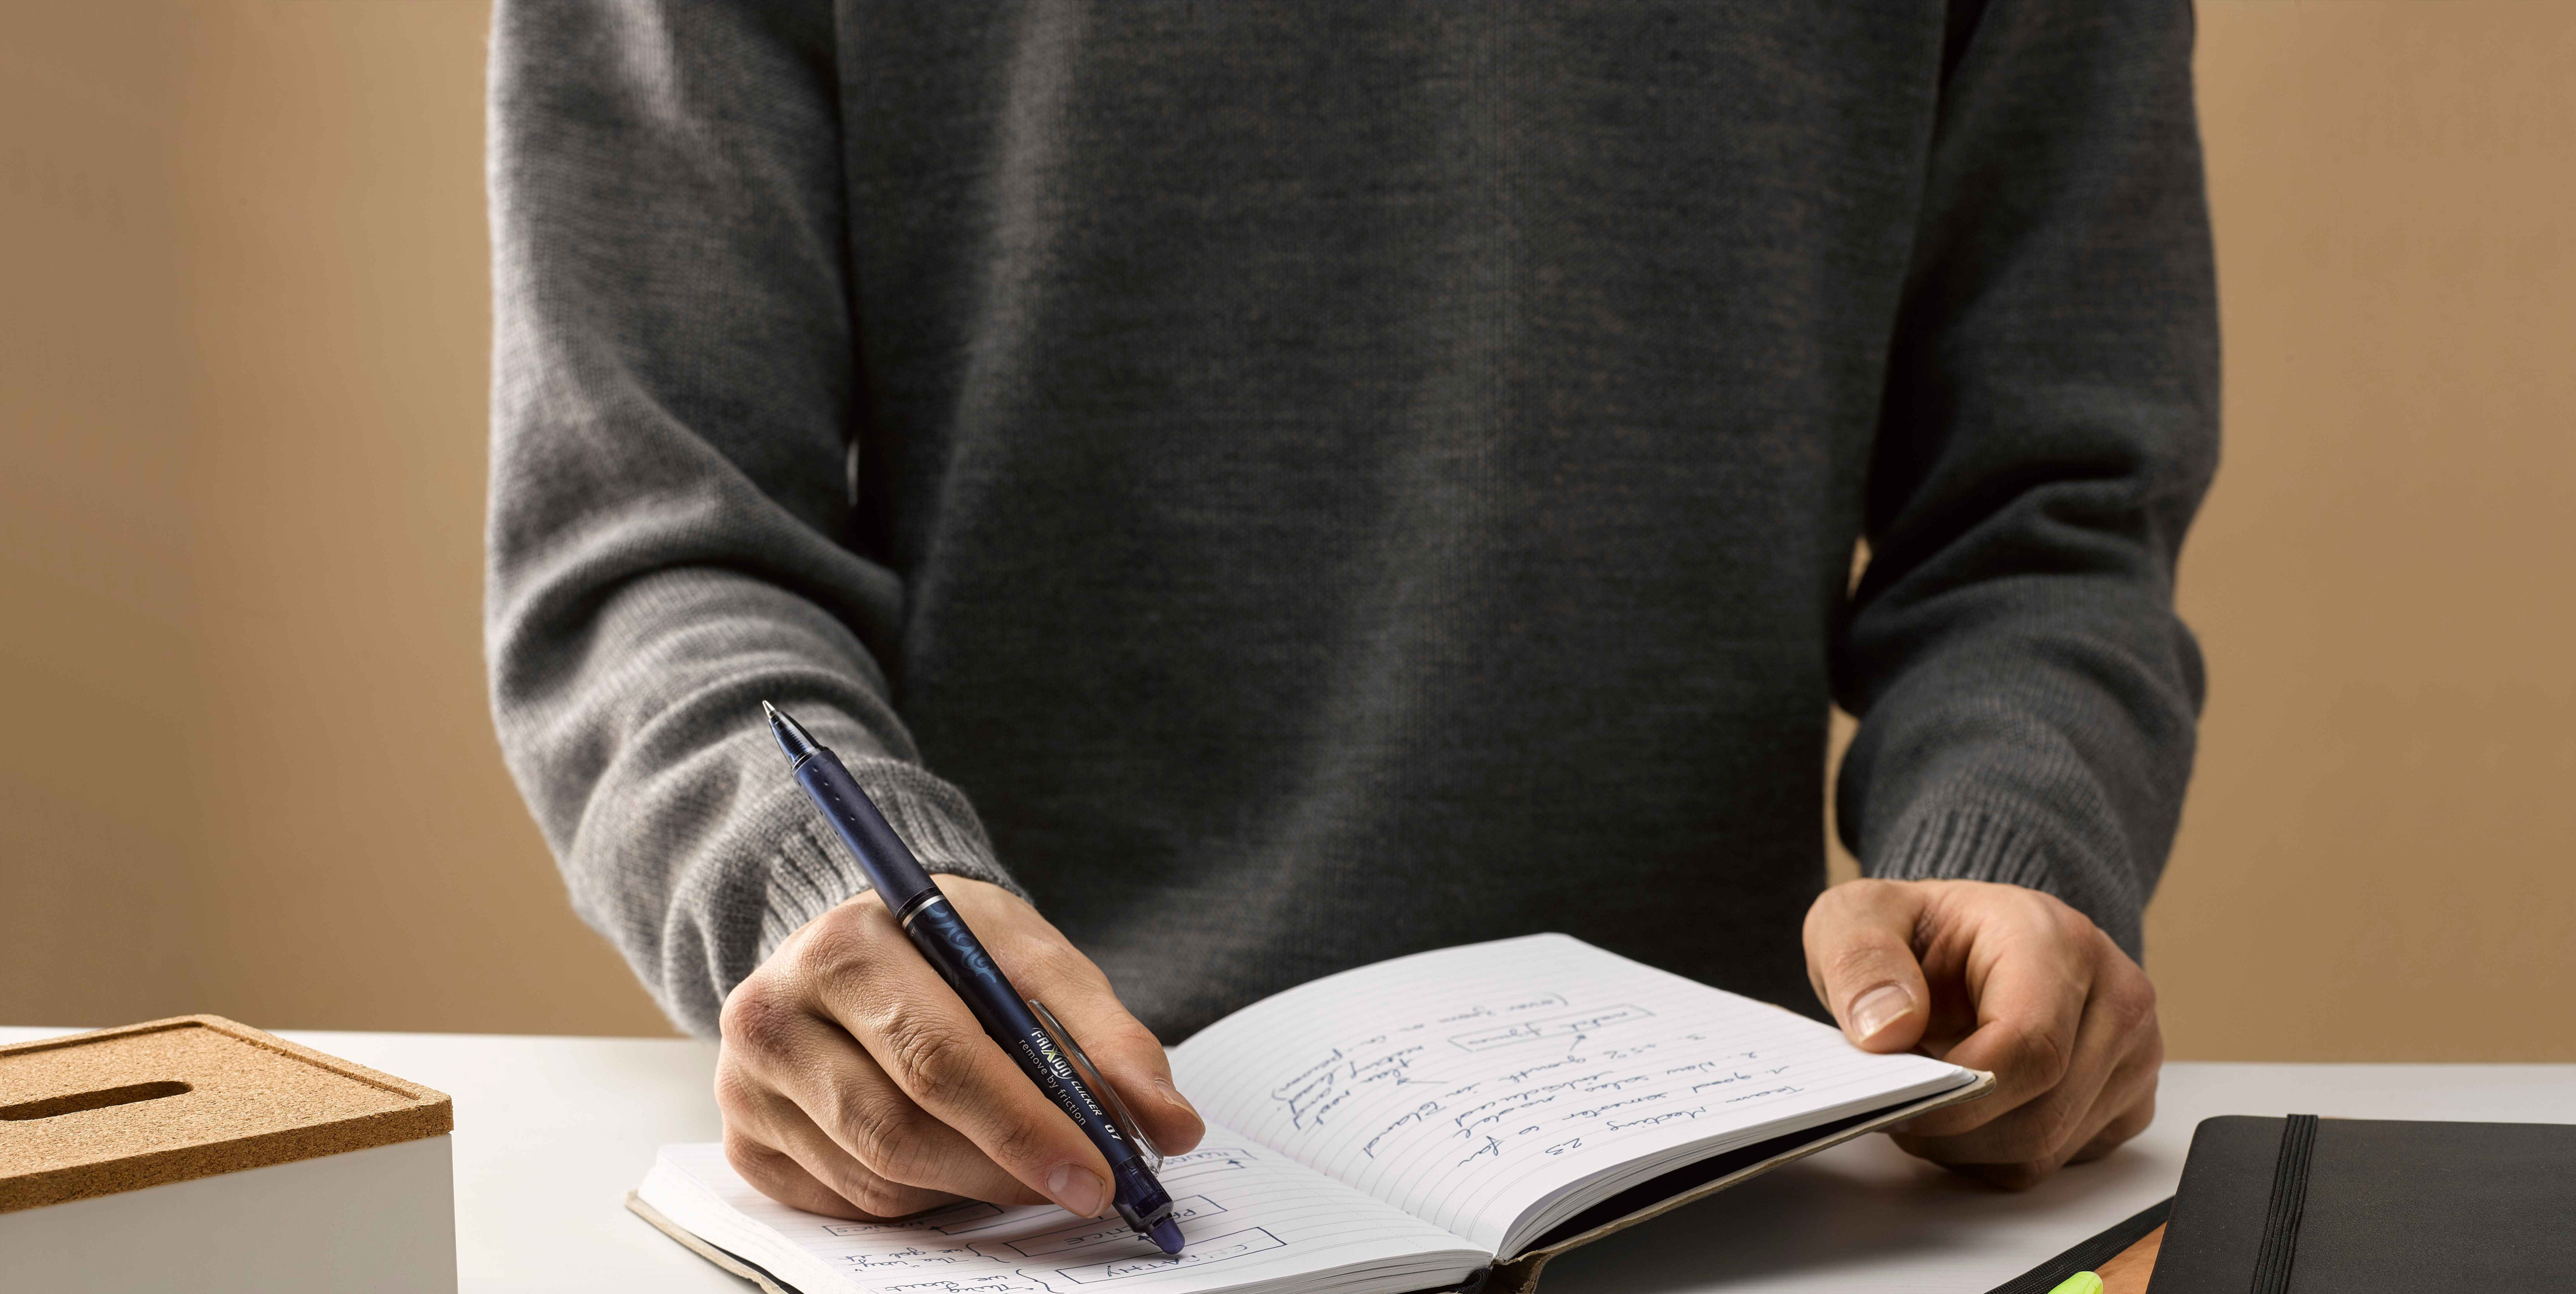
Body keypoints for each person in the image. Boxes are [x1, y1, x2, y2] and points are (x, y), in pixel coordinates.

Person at [486, 0, 2215, 1226]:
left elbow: (2042, 511)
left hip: (1735, 1192)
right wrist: (823, 896)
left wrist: (2010, 860)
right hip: (1011, 1199)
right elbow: (654, 534)